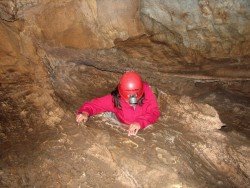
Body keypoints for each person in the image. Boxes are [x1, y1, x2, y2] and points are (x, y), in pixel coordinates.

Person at [76, 71, 160, 136]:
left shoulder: (147, 92)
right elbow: (95, 104)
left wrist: (140, 123)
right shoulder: (114, 99)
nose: (132, 101)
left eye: (134, 98)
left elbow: (154, 112)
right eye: (129, 99)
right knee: (106, 114)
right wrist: (85, 113)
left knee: (149, 125)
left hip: (139, 120)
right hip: (118, 118)